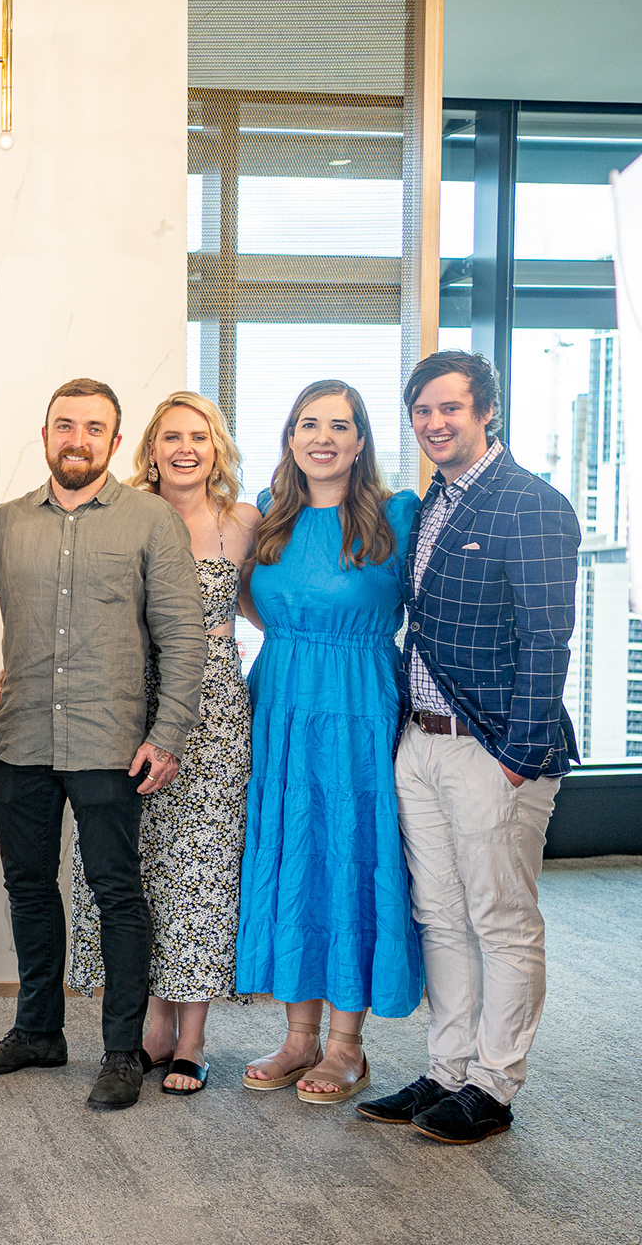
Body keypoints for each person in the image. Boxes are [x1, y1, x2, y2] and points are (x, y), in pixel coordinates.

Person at [0, 377, 205, 1113]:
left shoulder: (152, 522)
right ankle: (38, 1031)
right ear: (44, 437)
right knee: (29, 888)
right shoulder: (4, 526)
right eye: (64, 425)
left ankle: (122, 1051)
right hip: (22, 737)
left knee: (116, 892)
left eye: (94, 428)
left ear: (115, 442)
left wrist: (168, 735)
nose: (77, 439)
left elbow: (183, 634)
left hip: (110, 743)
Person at [356, 351, 579, 1144]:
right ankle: (448, 1069)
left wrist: (518, 756)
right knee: (441, 915)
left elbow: (548, 639)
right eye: (422, 410)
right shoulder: (432, 503)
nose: (435, 422)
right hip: (421, 740)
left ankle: (493, 1084)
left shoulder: (531, 503)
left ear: (487, 411)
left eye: (450, 407)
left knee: (501, 919)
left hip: (493, 748)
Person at [64, 392, 257, 1098]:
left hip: (214, 712)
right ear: (150, 448)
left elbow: (269, 605)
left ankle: (194, 1039)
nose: (185, 449)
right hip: (126, 700)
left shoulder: (244, 522)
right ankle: (150, 1026)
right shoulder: (123, 513)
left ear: (216, 448)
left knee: (202, 869)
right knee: (136, 866)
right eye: (171, 436)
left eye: (199, 437)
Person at [235, 379, 422, 1105]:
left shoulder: (396, 515)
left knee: (350, 854)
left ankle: (347, 1047)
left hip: (357, 705)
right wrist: (294, 635)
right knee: (293, 854)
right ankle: (298, 1037)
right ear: (290, 437)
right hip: (282, 699)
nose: (323, 438)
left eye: (340, 426)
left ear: (360, 441)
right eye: (309, 424)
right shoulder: (268, 514)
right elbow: (247, 596)